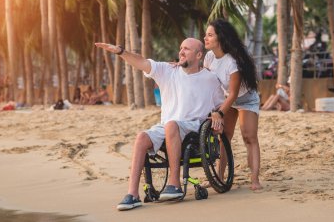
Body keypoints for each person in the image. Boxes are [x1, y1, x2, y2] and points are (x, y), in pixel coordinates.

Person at [95, 38, 224, 211]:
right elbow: (141, 62)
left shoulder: (210, 79)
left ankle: (175, 184)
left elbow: (220, 105)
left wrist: (218, 115)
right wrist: (120, 51)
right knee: (142, 137)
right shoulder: (167, 70)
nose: (181, 51)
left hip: (194, 126)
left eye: (186, 49)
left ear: (199, 55)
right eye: (180, 48)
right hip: (167, 126)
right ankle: (132, 194)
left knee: (171, 125)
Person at [203, 18, 262, 190]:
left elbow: (235, 93)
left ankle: (255, 179)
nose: (205, 38)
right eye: (205, 35)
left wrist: (220, 113)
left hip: (246, 99)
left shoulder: (232, 62)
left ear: (220, 38)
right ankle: (219, 177)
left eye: (210, 35)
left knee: (248, 137)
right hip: (226, 99)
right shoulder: (209, 57)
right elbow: (207, 83)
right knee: (224, 138)